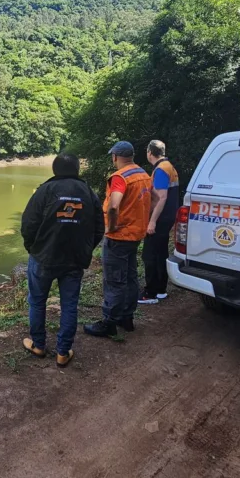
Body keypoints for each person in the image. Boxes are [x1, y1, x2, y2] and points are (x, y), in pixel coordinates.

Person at [20, 153, 104, 368]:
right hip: (74, 260)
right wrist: (85, 250)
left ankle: (38, 345)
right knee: (69, 305)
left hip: (43, 258)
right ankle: (63, 353)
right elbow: (98, 229)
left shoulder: (45, 191)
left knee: (37, 302)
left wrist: (33, 248)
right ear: (77, 169)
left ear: (55, 169)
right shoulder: (88, 193)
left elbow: (28, 224)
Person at [84, 141, 152, 338]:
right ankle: (127, 318)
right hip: (136, 235)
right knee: (130, 277)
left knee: (114, 280)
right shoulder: (143, 174)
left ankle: (109, 322)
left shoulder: (120, 178)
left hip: (119, 236)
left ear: (115, 156)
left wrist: (111, 227)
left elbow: (114, 206)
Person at [140, 140, 180, 305]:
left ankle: (150, 293)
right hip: (169, 216)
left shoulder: (161, 170)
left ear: (150, 152)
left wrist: (152, 222)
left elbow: (161, 197)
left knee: (149, 254)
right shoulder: (169, 166)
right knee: (161, 252)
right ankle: (161, 290)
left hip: (161, 218)